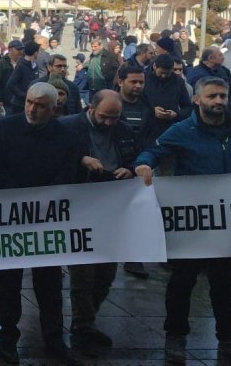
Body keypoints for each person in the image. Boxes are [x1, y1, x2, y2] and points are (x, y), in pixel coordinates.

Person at [134, 76, 231, 365]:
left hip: (225, 222)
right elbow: (154, 150)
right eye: (212, 96)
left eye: (223, 96)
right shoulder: (183, 130)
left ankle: (228, 337)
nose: (218, 101)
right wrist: (143, 164)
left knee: (224, 284)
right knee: (182, 280)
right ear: (197, 100)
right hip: (192, 222)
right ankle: (175, 336)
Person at [0, 82, 93, 365]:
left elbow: (68, 175)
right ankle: (8, 341)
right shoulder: (5, 128)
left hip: (47, 220)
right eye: (29, 102)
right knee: (7, 284)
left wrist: (42, 200)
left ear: (53, 107)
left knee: (49, 284)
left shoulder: (67, 136)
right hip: (10, 218)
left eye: (40, 105)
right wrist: (20, 198)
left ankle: (54, 340)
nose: (32, 109)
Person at [57, 90, 139, 352]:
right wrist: (80, 159)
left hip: (112, 201)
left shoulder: (123, 130)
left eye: (115, 118)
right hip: (79, 203)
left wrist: (132, 168)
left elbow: (138, 156)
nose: (109, 123)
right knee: (83, 272)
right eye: (104, 117)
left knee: (106, 272)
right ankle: (84, 325)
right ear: (90, 108)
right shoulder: (68, 127)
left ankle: (85, 320)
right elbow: (51, 158)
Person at [4, 42, 44, 115]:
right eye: (38, 52)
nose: (39, 54)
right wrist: (24, 95)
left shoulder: (35, 66)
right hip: (19, 105)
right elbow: (10, 85)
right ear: (35, 53)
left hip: (31, 103)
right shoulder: (21, 66)